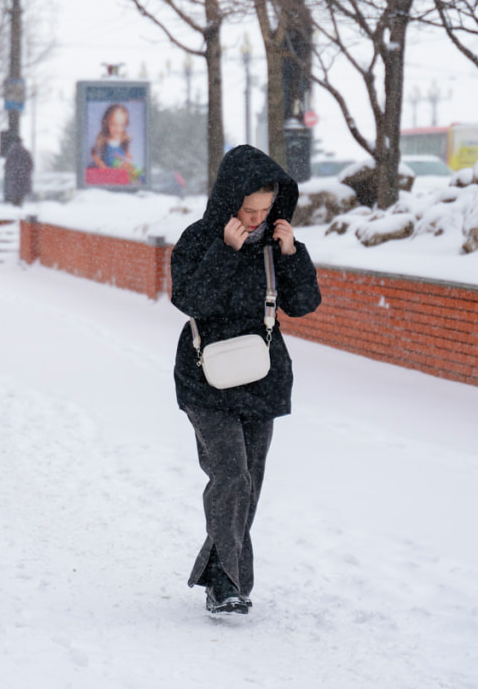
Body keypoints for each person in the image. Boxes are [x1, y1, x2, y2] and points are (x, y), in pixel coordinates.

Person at [169, 145, 322, 614]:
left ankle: (222, 577)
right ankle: (228, 584)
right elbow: (192, 300)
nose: (256, 219)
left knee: (247, 482)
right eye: (247, 209)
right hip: (205, 376)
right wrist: (225, 251)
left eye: (264, 210)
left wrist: (292, 253)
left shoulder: (279, 245)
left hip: (261, 378)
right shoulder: (199, 240)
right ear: (227, 202)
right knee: (231, 477)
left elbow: (303, 304)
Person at [89, 103, 135, 173]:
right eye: (114, 124)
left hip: (119, 172)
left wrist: (128, 163)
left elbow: (129, 157)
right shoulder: (103, 140)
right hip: (106, 172)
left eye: (122, 125)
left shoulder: (124, 141)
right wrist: (101, 164)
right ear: (107, 123)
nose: (118, 129)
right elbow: (94, 153)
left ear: (126, 124)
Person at [4, 137, 33, 207]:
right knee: (21, 190)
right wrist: (26, 170)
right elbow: (30, 164)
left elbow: (7, 165)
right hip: (23, 175)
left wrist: (11, 170)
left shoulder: (10, 152)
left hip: (14, 175)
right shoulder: (25, 152)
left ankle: (15, 202)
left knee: (15, 190)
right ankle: (19, 202)